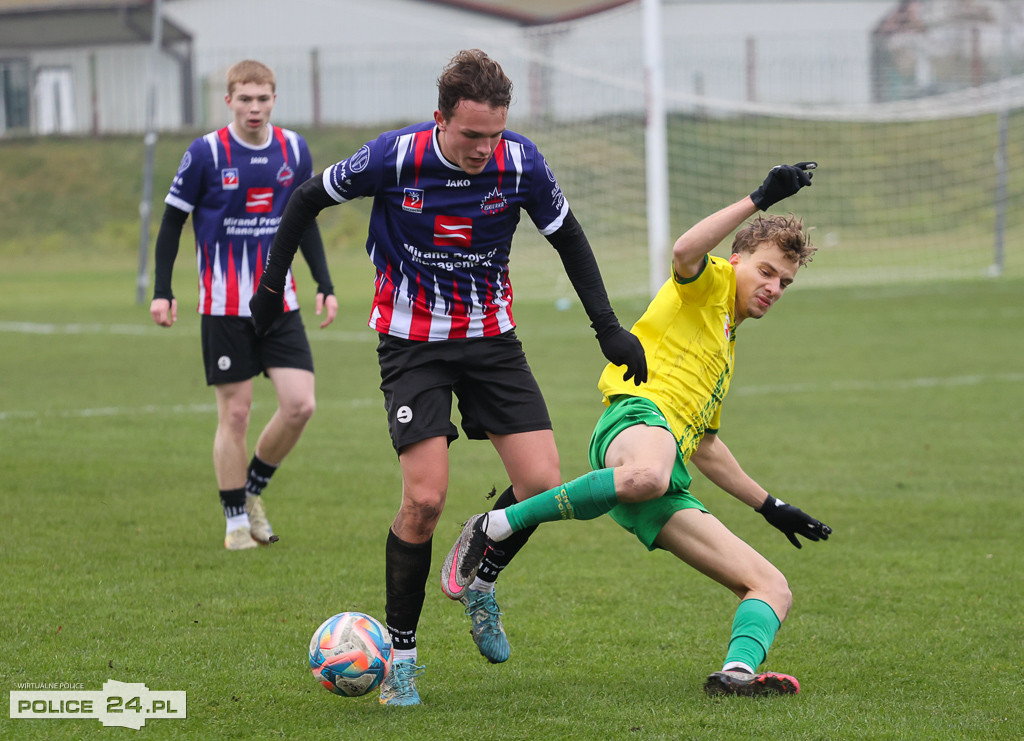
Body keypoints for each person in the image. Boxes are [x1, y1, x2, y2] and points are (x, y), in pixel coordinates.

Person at [249, 49, 646, 706]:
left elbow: (568, 236)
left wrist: (607, 326)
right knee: (424, 500)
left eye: (494, 134)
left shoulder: (520, 163)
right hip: (413, 347)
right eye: (471, 135)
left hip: (492, 343)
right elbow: (304, 199)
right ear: (440, 118)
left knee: (543, 484)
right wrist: (270, 288)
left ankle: (481, 571)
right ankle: (401, 657)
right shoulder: (392, 157)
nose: (484, 148)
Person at [444, 161, 832, 697]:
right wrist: (758, 198)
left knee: (771, 586)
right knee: (648, 473)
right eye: (766, 272)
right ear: (737, 259)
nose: (774, 287)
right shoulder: (710, 283)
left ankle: (736, 673)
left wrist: (772, 506)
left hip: (661, 473)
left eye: (784, 283)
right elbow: (684, 251)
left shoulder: (725, 348)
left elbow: (708, 446)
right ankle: (496, 525)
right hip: (634, 422)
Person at [150, 59, 337, 551]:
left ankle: (251, 490)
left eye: (263, 98)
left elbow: (308, 219)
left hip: (279, 301)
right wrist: (163, 290)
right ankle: (236, 523)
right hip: (222, 304)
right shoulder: (206, 153)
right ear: (229, 100)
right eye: (245, 98)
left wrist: (324, 281)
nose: (254, 108)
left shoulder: (294, 149)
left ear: (274, 99)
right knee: (235, 414)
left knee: (300, 405)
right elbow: (172, 223)